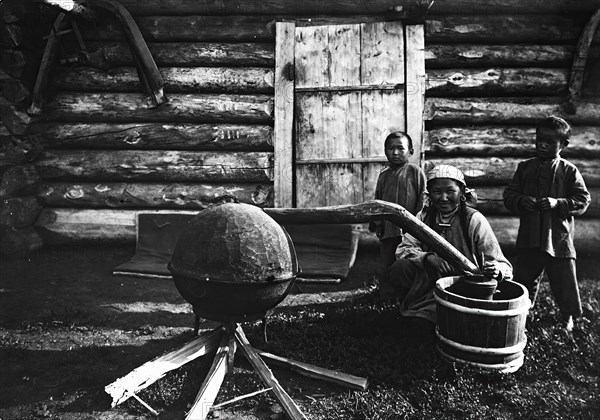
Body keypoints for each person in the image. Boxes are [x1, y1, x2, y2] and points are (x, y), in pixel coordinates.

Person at [388, 165, 512, 325]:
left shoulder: (473, 220)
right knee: (400, 268)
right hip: (430, 281)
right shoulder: (423, 217)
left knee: (442, 321)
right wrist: (428, 258)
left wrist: (496, 269)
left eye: (450, 191)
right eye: (437, 192)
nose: (443, 197)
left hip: (465, 285)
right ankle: (413, 305)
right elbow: (404, 249)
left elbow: (502, 264)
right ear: (429, 194)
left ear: (461, 193)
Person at [503, 116, 591, 331]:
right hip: (530, 237)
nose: (542, 145)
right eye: (540, 140)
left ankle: (568, 315)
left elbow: (582, 200)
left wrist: (557, 203)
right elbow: (509, 195)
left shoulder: (569, 171)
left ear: (564, 145)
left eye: (550, 142)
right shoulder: (525, 168)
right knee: (524, 277)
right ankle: (521, 311)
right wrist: (522, 200)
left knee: (564, 279)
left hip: (558, 239)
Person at [372, 131, 426, 285]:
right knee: (387, 261)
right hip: (389, 229)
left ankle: (406, 292)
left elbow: (423, 198)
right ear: (385, 151)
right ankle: (385, 294)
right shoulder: (383, 175)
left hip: (411, 229)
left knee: (407, 260)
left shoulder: (415, 172)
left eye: (400, 148)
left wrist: (417, 224)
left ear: (410, 152)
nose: (395, 152)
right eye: (390, 148)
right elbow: (378, 201)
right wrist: (379, 224)